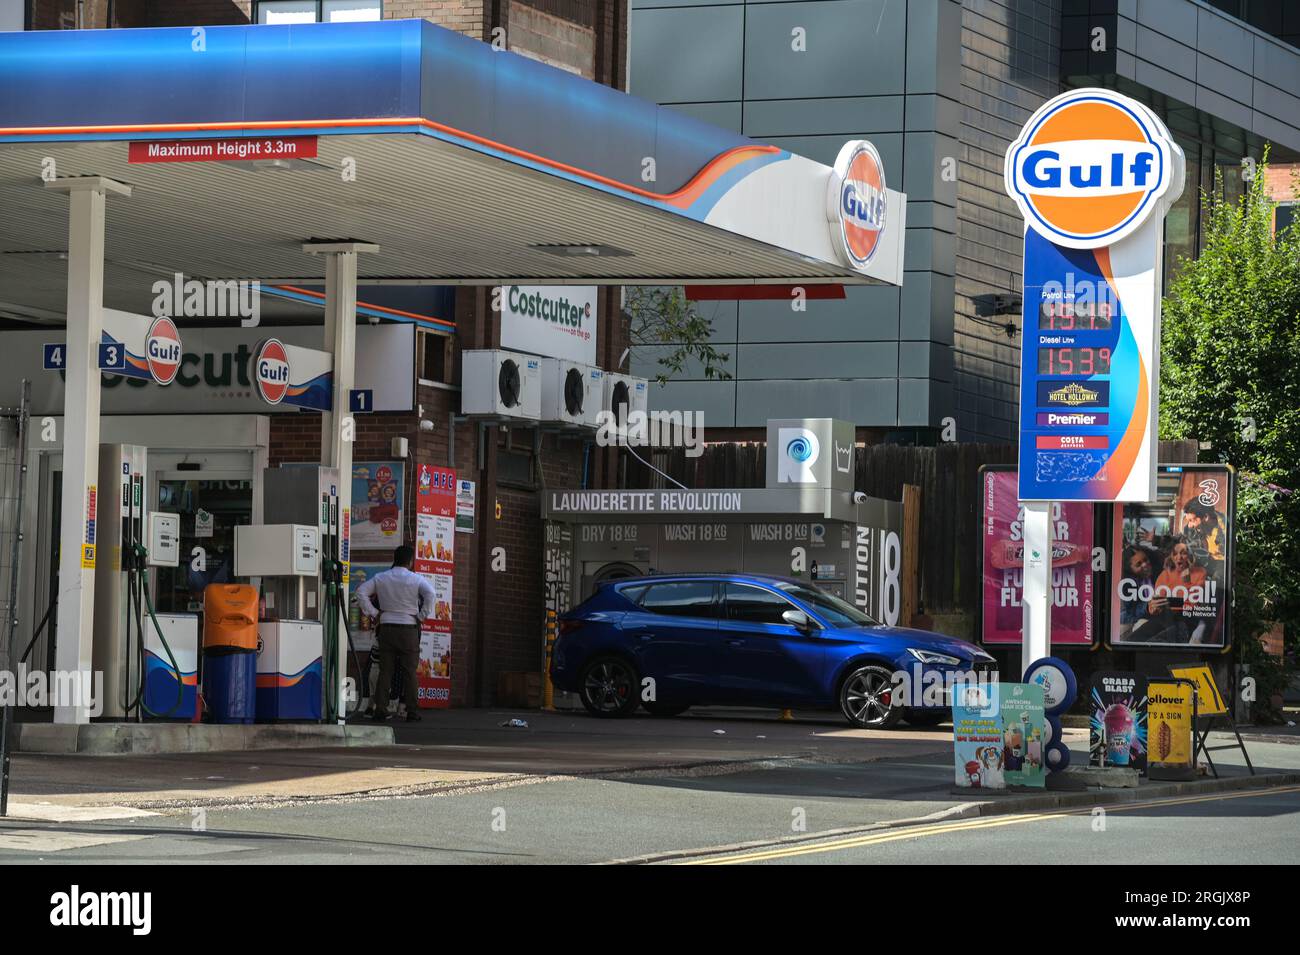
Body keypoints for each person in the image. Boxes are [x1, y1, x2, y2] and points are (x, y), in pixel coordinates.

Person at [354, 544, 436, 722]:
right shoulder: (416, 579)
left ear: (395, 559)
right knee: (409, 671)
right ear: (410, 561)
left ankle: (380, 709)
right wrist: (421, 616)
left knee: (385, 671)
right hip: (408, 629)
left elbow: (361, 592)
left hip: (387, 628)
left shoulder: (381, 577)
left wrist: (374, 613)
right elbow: (431, 594)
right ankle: (411, 711)